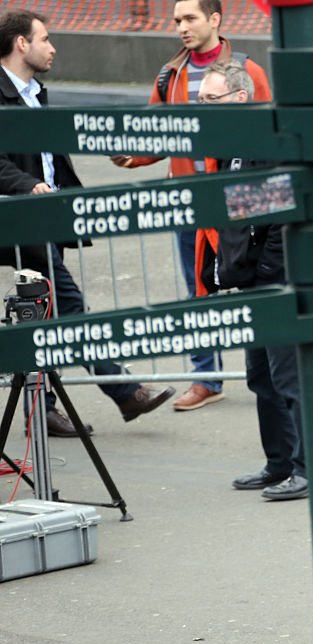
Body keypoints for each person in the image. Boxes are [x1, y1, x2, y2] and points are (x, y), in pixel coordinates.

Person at [0, 8, 174, 433]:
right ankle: (126, 392)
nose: (52, 47)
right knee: (69, 307)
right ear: (22, 43)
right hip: (20, 219)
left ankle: (42, 411)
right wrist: (27, 185)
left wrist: (74, 203)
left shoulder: (33, 91)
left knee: (43, 314)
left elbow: (50, 156)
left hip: (43, 218)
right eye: (45, 39)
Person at [110, 0, 272, 412]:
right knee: (198, 292)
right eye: (177, 20)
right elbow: (158, 131)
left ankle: (271, 367)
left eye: (190, 18)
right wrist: (132, 155)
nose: (180, 26)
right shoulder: (171, 74)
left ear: (215, 19)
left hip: (239, 205)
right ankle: (207, 378)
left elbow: (271, 130)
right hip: (190, 203)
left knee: (257, 285)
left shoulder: (248, 70)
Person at [196, 62, 307, 501]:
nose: (202, 108)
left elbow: (283, 217)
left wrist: (265, 271)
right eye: (200, 100)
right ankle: (278, 464)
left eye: (210, 100)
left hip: (275, 284)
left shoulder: (267, 143)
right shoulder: (228, 143)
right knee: (260, 377)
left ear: (240, 99)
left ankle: (306, 468)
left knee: (289, 379)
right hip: (250, 282)